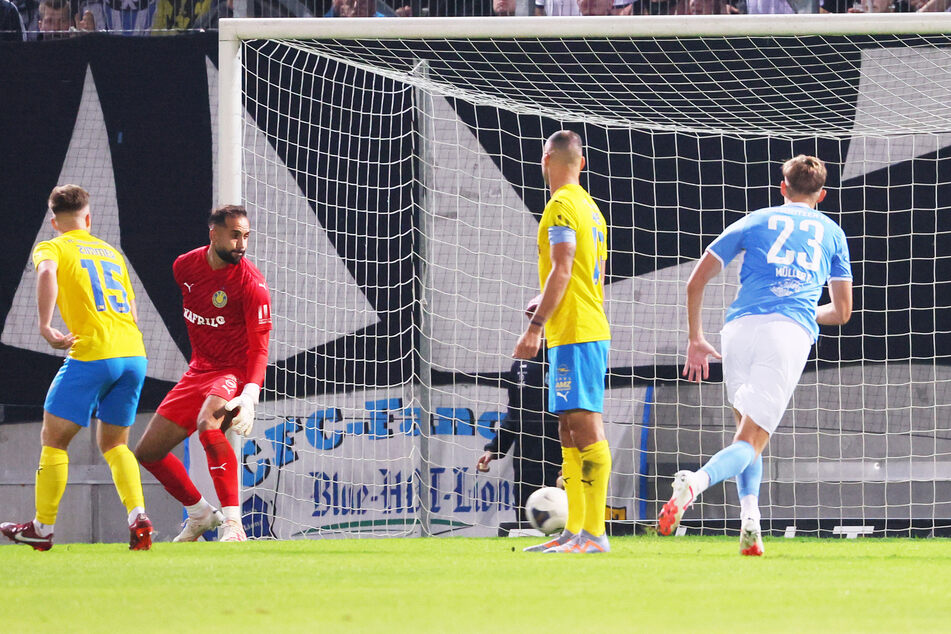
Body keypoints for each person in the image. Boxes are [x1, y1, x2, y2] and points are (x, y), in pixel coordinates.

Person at [658, 155, 852, 556]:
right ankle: (694, 483)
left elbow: (696, 281)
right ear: (822, 194)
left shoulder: (755, 219)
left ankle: (751, 526)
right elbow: (842, 312)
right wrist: (799, 307)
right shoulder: (832, 233)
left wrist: (696, 338)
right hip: (786, 334)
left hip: (738, 330)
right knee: (752, 439)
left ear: (782, 187)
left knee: (746, 436)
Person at [1, 185, 152, 551]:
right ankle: (138, 517)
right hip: (133, 354)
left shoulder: (52, 246)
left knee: (54, 440)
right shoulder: (111, 253)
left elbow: (47, 274)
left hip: (92, 352)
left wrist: (44, 324)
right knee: (115, 444)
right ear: (88, 217)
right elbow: (132, 311)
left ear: (54, 222)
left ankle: (43, 527)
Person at [134, 205, 271, 543]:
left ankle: (234, 526)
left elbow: (259, 349)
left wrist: (250, 394)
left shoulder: (252, 285)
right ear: (214, 234)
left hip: (233, 372)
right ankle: (199, 514)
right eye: (235, 235)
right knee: (147, 452)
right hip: (199, 371)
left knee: (208, 427)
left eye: (246, 236)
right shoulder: (184, 267)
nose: (242, 243)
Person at [514, 129, 612, 554]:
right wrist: (547, 301)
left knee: (586, 426)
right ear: (582, 164)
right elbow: (595, 275)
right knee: (568, 429)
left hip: (576, 331)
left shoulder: (558, 207)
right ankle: (574, 532)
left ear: (545, 158)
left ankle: (594, 534)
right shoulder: (590, 208)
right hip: (577, 325)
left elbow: (564, 267)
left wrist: (535, 325)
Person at [477, 297, 562, 522]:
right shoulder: (521, 364)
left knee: (563, 518)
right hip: (527, 458)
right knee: (527, 518)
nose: (538, 323)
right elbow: (513, 413)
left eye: (543, 317)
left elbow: (579, 417)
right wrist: (494, 449)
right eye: (533, 318)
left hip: (561, 456)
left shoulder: (567, 357)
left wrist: (572, 461)